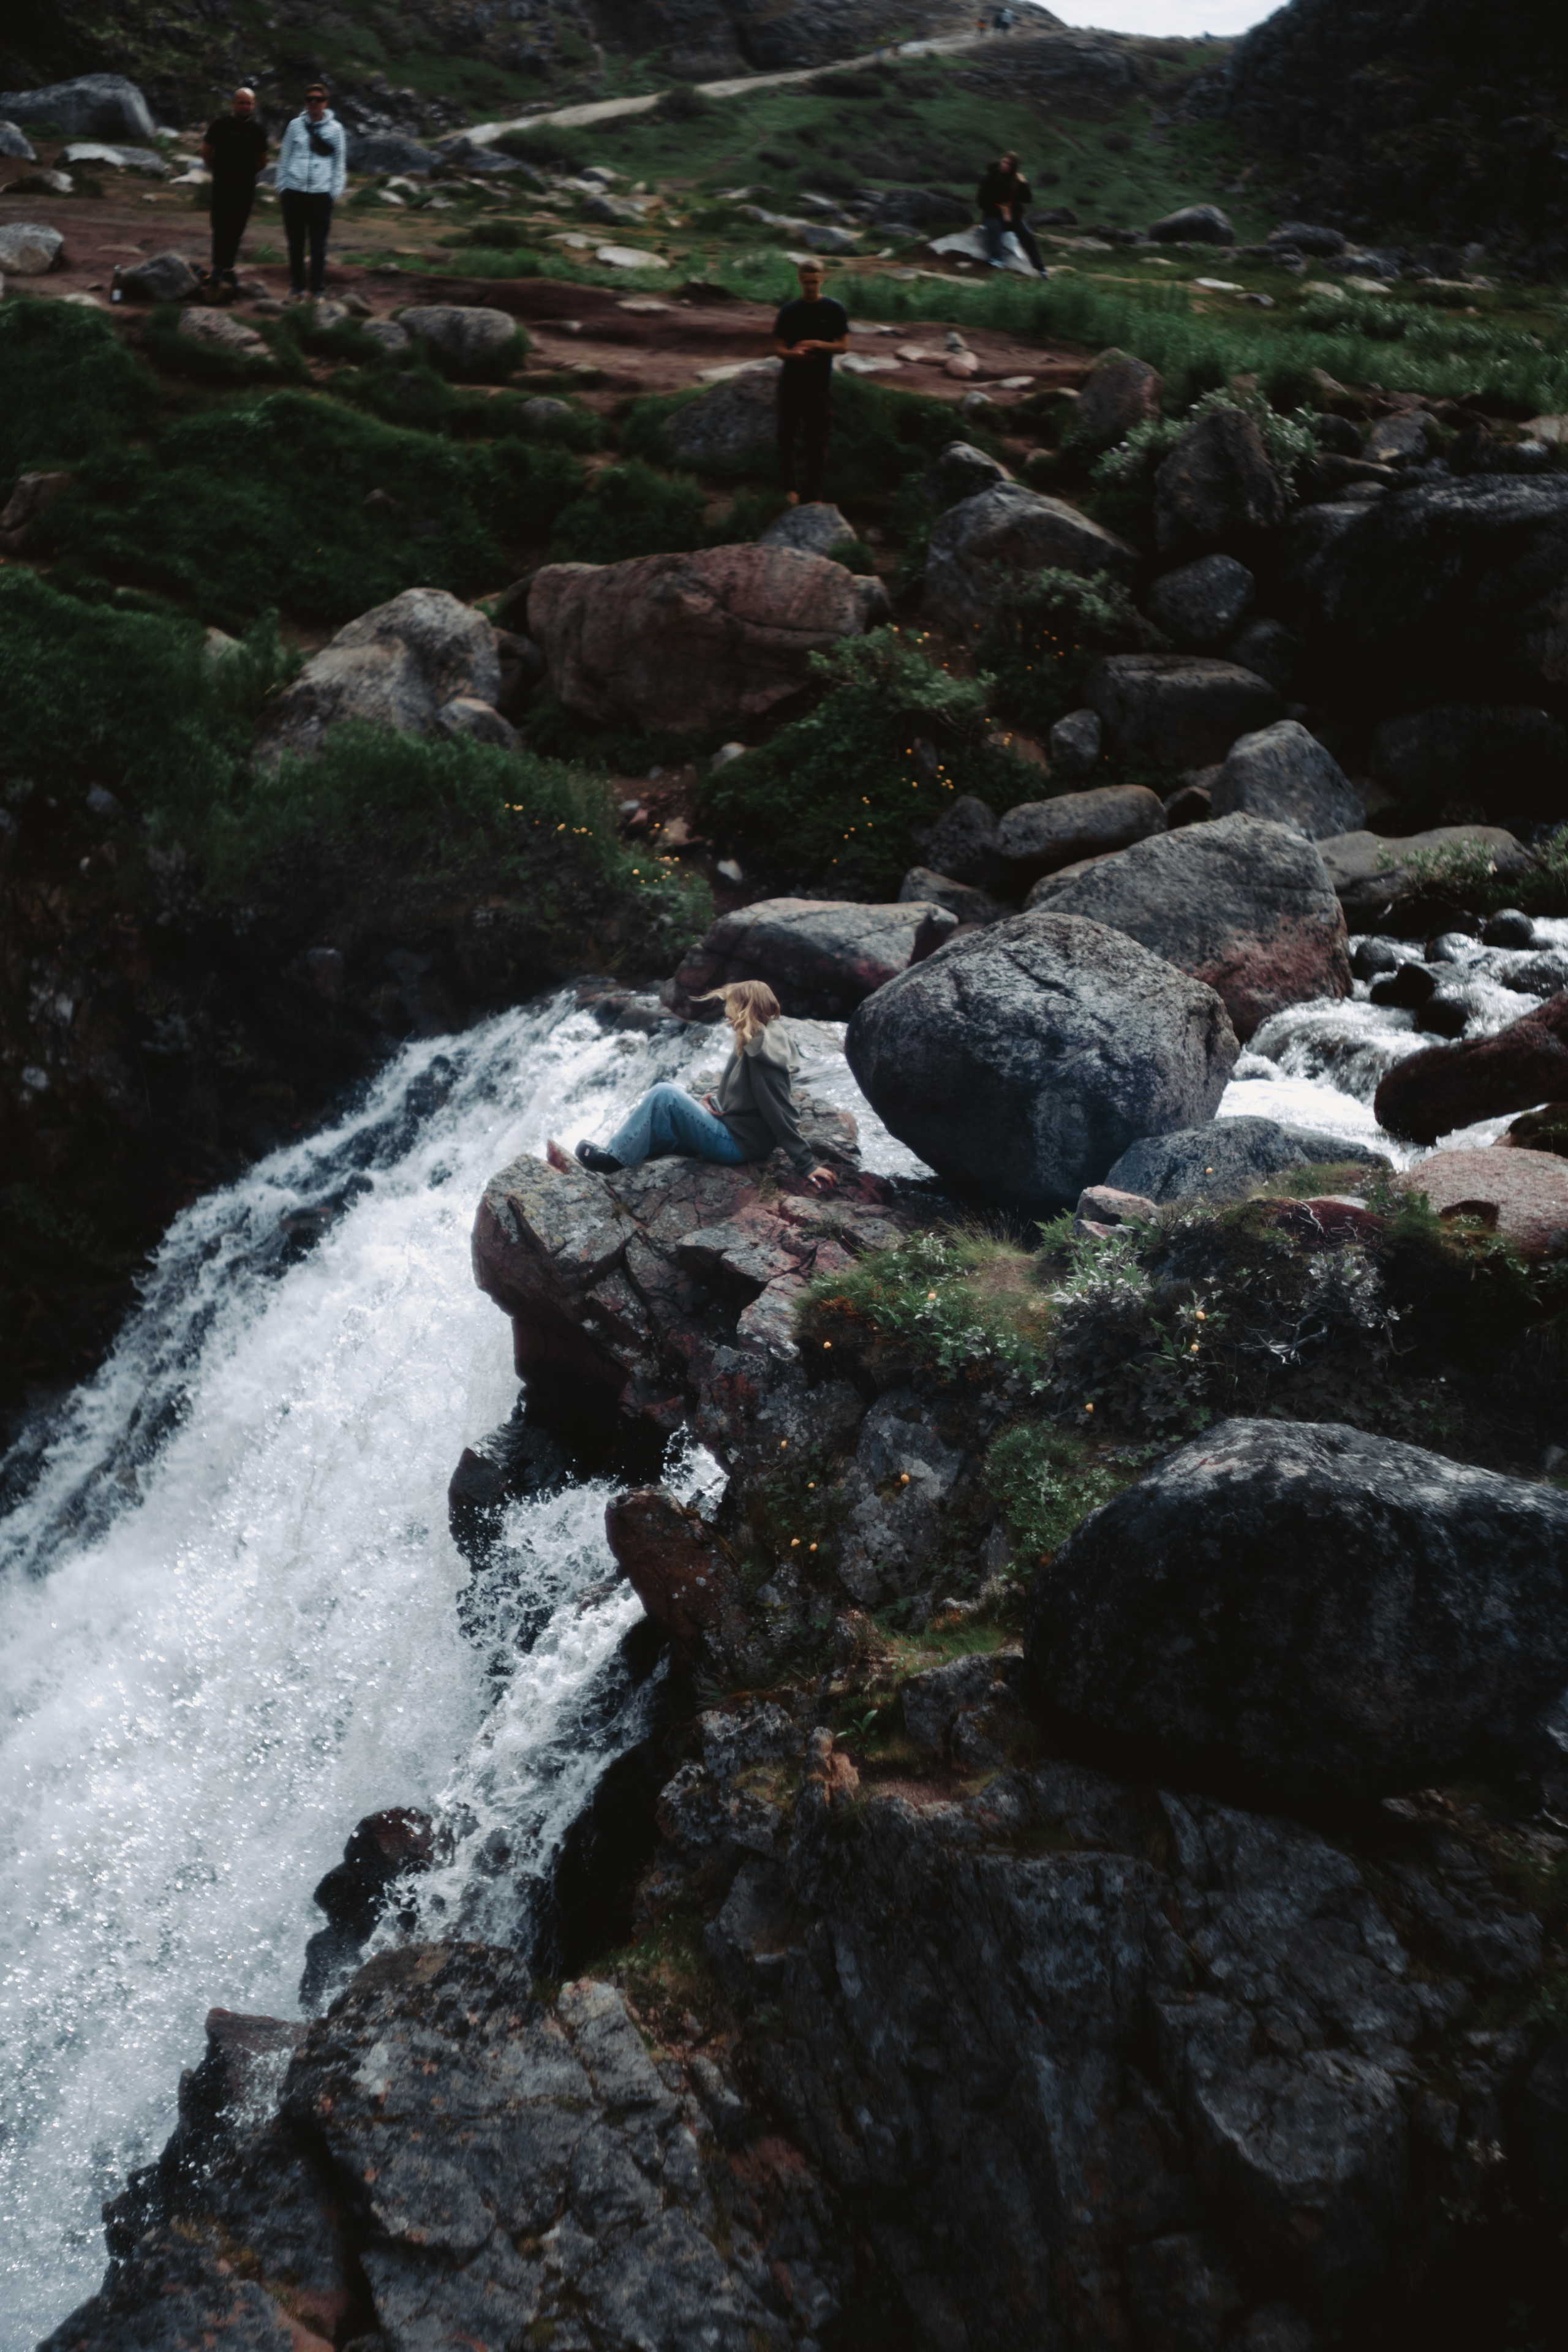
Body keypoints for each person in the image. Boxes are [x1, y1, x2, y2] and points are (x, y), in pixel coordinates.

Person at [565, 981, 839, 1190]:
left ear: (745, 1008)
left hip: (737, 1145)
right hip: (734, 1130)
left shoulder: (762, 1051)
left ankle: (615, 1161)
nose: (727, 1013)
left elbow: (778, 1107)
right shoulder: (754, 1038)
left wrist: (806, 1164)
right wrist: (714, 1101)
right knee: (664, 1115)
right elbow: (745, 1095)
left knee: (664, 1094)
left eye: (730, 1006)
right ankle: (633, 1154)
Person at [772, 258, 849, 508]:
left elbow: (844, 346)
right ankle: (789, 489)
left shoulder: (834, 309)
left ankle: (814, 493)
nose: (810, 287)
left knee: (817, 441)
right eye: (806, 282)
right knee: (787, 438)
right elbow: (778, 348)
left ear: (822, 280)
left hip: (819, 385)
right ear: (799, 280)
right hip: (791, 383)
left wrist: (817, 344)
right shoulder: (789, 311)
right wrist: (792, 354)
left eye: (814, 282)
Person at [275, 82, 347, 300]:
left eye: (318, 99)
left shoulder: (336, 130)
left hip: (320, 194)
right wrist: (282, 188)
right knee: (295, 244)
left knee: (318, 245)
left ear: (326, 103)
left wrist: (333, 193)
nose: (313, 103)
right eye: (310, 99)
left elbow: (339, 163)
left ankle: (317, 289)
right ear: (305, 103)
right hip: (294, 192)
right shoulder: (295, 126)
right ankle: (297, 287)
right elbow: (285, 157)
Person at [200, 87, 268, 300]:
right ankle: (219, 268)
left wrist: (247, 173)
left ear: (253, 105)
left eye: (248, 103)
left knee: (238, 226)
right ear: (234, 104)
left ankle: (228, 268)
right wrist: (219, 169)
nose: (245, 106)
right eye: (241, 103)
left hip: (246, 186)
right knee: (220, 225)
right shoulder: (221, 125)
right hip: (223, 184)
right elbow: (206, 151)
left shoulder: (257, 130)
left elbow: (263, 159)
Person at [976, 149, 1046, 274]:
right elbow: (981, 202)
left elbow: (1027, 199)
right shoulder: (990, 178)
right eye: (1004, 162)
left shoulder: (1016, 181)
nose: (1005, 165)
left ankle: (1040, 267)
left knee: (1027, 235)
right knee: (994, 227)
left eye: (1009, 164)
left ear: (1014, 167)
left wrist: (1025, 184)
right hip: (992, 214)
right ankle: (996, 259)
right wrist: (1000, 211)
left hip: (1012, 218)